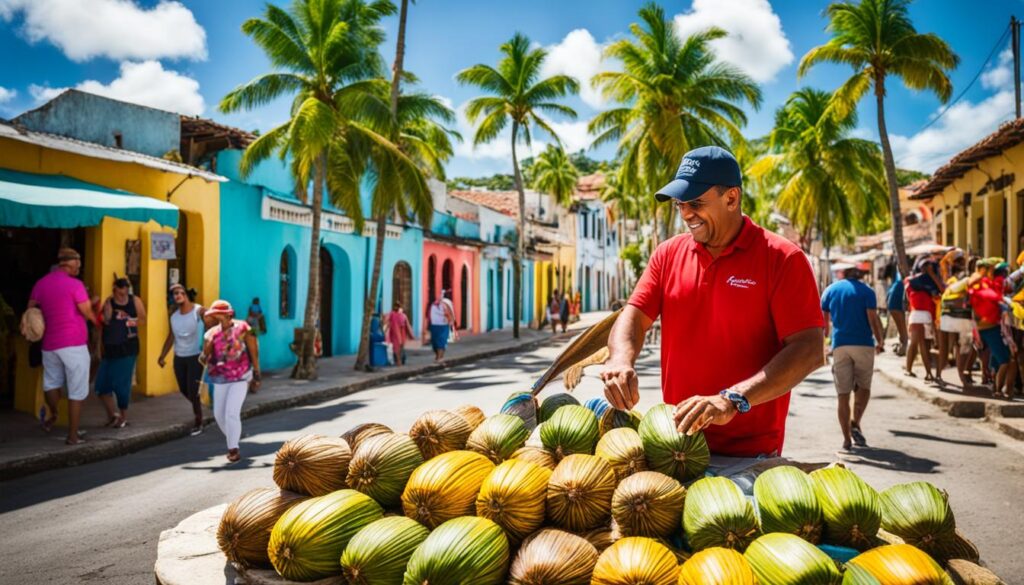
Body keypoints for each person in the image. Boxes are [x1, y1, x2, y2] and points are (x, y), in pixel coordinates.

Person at [601, 146, 824, 458]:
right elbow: (634, 316)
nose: (686, 214)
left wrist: (733, 399)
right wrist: (621, 361)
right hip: (676, 446)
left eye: (696, 203)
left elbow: (809, 350)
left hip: (749, 453)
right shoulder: (668, 254)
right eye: (680, 205)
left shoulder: (783, 259)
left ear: (731, 198)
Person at [27, 248, 97, 445]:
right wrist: (96, 316)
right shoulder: (75, 285)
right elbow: (86, 312)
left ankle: (55, 414)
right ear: (70, 263)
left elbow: (31, 309)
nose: (79, 269)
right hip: (73, 343)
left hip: (49, 344)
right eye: (78, 266)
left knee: (51, 383)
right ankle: (73, 436)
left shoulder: (41, 283)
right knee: (77, 390)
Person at [821, 267, 884, 452]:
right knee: (864, 387)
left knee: (843, 394)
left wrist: (824, 343)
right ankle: (855, 422)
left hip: (840, 345)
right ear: (860, 276)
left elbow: (824, 322)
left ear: (844, 275)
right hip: (863, 344)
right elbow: (872, 319)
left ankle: (847, 440)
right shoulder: (867, 291)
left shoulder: (831, 290)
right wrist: (880, 340)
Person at [201, 300, 260, 463]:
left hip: (241, 377)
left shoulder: (243, 327)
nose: (214, 317)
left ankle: (233, 449)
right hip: (220, 378)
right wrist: (206, 349)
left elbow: (253, 349)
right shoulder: (211, 334)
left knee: (231, 413)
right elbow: (205, 356)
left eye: (216, 314)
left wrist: (256, 372)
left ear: (227, 314)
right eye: (213, 315)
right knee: (219, 415)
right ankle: (234, 436)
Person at [95, 278, 146, 428]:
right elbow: (103, 323)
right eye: (119, 293)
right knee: (101, 386)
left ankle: (123, 416)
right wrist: (106, 316)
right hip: (110, 348)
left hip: (127, 348)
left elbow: (143, 319)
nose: (122, 296)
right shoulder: (109, 302)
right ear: (114, 290)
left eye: (124, 293)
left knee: (122, 384)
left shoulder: (134, 301)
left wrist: (129, 321)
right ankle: (113, 415)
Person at [158, 284, 206, 436]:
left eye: (180, 292)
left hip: (195, 356)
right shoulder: (174, 317)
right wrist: (162, 355)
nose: (177, 295)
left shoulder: (197, 311)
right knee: (184, 389)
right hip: (179, 357)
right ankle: (199, 406)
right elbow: (171, 337)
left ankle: (198, 420)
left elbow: (208, 317)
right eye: (174, 294)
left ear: (186, 295)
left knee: (193, 390)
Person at [936, 250, 974, 389]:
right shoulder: (961, 279)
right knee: (958, 348)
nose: (962, 263)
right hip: (957, 317)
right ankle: (960, 378)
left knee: (950, 348)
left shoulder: (950, 279)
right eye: (961, 261)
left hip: (948, 316)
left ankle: (946, 376)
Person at [904, 264, 937, 381]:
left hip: (916, 315)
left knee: (914, 344)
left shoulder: (910, 283)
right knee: (924, 346)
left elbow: (907, 299)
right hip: (926, 316)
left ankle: (909, 370)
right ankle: (928, 373)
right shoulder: (931, 284)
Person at [425, 293, 455, 361]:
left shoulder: (446, 304)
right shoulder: (431, 305)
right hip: (434, 326)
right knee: (434, 343)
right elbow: (427, 316)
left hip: (443, 326)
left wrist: (450, 321)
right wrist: (425, 328)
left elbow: (450, 313)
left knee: (441, 342)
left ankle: (439, 358)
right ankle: (439, 356)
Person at [886, 267, 908, 356]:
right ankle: (903, 348)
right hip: (895, 304)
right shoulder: (902, 278)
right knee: (903, 329)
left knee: (901, 329)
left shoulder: (898, 278)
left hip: (892, 304)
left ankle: (902, 347)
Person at [384, 301, 414, 366]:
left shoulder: (393, 314)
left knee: (397, 348)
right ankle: (399, 361)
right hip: (399, 334)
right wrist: (411, 335)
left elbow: (386, 321)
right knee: (399, 348)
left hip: (397, 334)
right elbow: (408, 326)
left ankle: (399, 361)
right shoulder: (401, 315)